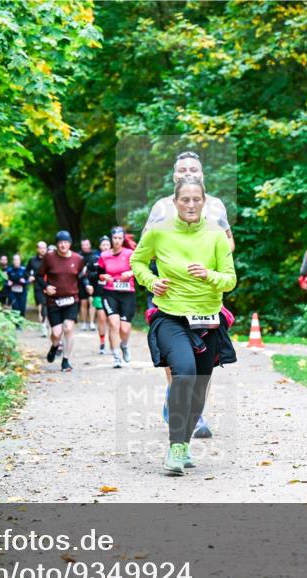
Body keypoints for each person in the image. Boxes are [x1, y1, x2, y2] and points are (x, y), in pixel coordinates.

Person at [130, 176, 237, 475]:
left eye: (196, 199)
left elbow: (230, 279)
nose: (191, 204)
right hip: (171, 317)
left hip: (207, 319)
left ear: (204, 202)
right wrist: (152, 281)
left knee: (199, 390)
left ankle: (185, 444)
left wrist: (208, 275)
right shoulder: (159, 232)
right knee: (185, 373)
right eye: (185, 199)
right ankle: (175, 447)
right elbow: (137, 262)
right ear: (174, 202)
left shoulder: (216, 235)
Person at [39, 231, 91, 372]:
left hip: (71, 300)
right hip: (53, 301)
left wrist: (87, 284)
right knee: (56, 333)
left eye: (65, 242)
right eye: (60, 242)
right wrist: (46, 287)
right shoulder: (49, 257)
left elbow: (82, 276)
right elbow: (39, 276)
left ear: (70, 243)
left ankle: (66, 361)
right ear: (57, 244)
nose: (63, 245)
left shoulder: (77, 259)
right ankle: (55, 346)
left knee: (68, 328)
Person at [97, 226, 136, 368]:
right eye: (115, 238)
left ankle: (124, 345)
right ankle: (116, 356)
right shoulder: (104, 255)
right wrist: (103, 276)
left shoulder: (130, 253)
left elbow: (140, 269)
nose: (117, 241)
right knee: (113, 323)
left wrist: (130, 273)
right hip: (110, 292)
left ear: (123, 239)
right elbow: (98, 274)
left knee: (124, 329)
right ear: (111, 238)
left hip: (127, 293)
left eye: (120, 238)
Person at [25, 241, 49, 336]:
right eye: (41, 248)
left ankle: (45, 324)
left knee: (46, 306)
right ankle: (43, 325)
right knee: (41, 306)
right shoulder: (32, 260)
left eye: (44, 248)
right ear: (37, 249)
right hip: (38, 286)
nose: (43, 250)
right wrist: (29, 277)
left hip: (49, 286)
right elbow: (26, 271)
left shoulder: (50, 259)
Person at [94, 236, 111, 353]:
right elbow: (89, 275)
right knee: (101, 318)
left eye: (107, 245)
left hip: (112, 293)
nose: (105, 247)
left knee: (112, 320)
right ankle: (102, 342)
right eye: (103, 245)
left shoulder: (115, 258)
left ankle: (113, 342)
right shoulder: (95, 260)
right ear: (100, 247)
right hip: (99, 292)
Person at [79, 238, 100, 331]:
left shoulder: (95, 254)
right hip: (82, 282)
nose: (85, 247)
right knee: (83, 302)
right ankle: (84, 322)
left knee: (92, 302)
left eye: (86, 244)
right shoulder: (78, 255)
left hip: (94, 281)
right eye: (83, 245)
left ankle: (91, 322)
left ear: (90, 245)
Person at [6, 253, 28, 324]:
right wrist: (8, 283)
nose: (16, 261)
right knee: (15, 307)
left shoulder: (24, 270)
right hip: (12, 292)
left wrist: (25, 282)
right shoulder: (9, 270)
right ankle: (16, 324)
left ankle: (21, 322)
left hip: (22, 292)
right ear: (13, 261)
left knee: (22, 308)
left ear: (20, 261)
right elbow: (4, 281)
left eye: (17, 260)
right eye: (15, 260)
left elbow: (29, 280)